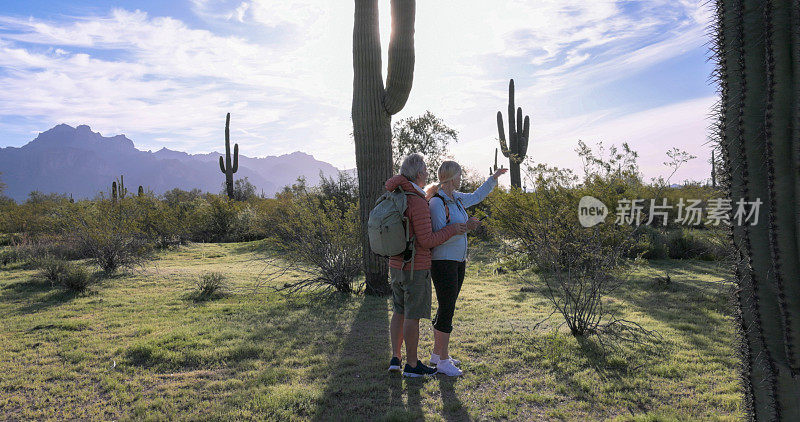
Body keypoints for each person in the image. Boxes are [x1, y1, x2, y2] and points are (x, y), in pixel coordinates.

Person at [385, 153, 468, 377]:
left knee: (399, 311)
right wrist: (454, 229)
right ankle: (412, 365)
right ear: (420, 173)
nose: (428, 175)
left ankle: (396, 358)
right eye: (426, 171)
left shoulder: (395, 193)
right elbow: (427, 240)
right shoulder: (416, 199)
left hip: (395, 262)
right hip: (415, 266)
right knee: (412, 315)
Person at [425, 162, 507, 376]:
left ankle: (437, 354)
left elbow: (477, 196)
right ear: (452, 177)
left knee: (446, 307)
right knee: (447, 309)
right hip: (443, 261)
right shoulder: (436, 202)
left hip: (457, 261)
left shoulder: (456, 198)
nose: (462, 178)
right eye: (460, 175)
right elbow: (437, 234)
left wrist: (493, 178)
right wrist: (461, 228)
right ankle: (443, 362)